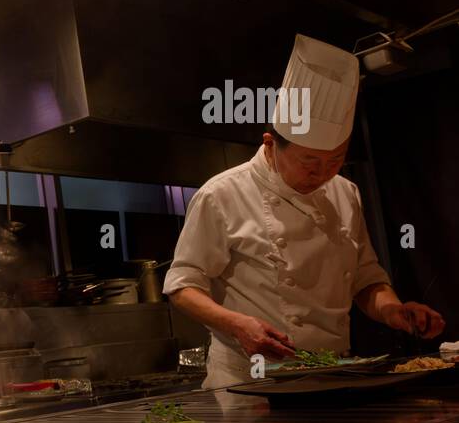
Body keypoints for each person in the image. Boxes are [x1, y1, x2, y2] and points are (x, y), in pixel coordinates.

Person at [165, 34, 445, 389]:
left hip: (335, 374)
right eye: (309, 162)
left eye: (335, 161)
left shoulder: (346, 192)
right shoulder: (221, 194)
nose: (322, 174)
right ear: (271, 144)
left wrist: (393, 311)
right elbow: (182, 286)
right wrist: (236, 324)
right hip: (252, 384)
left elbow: (365, 279)